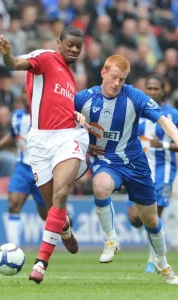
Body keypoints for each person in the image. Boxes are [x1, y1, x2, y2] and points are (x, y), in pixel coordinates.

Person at [0, 26, 89, 284]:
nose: (74, 49)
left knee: (61, 193)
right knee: (52, 208)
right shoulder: (46, 57)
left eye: (78, 47)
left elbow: (66, 108)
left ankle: (40, 264)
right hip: (38, 142)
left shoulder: (71, 78)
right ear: (59, 43)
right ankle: (64, 228)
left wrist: (79, 116)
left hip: (69, 137)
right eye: (70, 44)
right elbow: (14, 63)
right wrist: (7, 53)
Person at [74, 55, 178, 285]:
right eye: (113, 78)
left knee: (150, 220)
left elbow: (163, 120)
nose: (117, 83)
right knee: (100, 186)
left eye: (121, 79)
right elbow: (62, 122)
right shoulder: (84, 99)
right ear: (103, 73)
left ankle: (162, 262)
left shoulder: (134, 96)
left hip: (135, 163)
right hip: (105, 160)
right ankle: (111, 240)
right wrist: (81, 138)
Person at [127, 74, 178, 273]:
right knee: (134, 219)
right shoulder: (136, 113)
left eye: (156, 88)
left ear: (164, 91)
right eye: (149, 88)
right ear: (144, 90)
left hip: (163, 171)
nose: (153, 92)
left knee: (154, 216)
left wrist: (164, 144)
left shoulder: (173, 115)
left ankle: (153, 260)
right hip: (138, 171)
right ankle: (156, 252)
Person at [0, 87, 47, 246]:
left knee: (46, 215)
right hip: (22, 167)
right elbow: (13, 135)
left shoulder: (45, 114)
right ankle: (13, 248)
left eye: (31, 93)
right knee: (13, 204)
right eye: (24, 93)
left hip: (42, 168)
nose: (27, 96)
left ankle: (64, 219)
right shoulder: (17, 116)